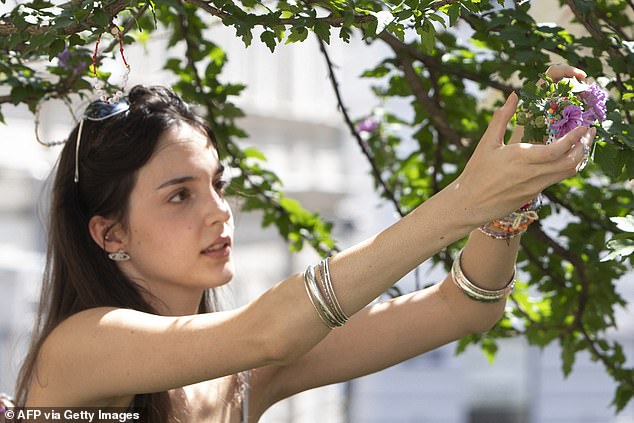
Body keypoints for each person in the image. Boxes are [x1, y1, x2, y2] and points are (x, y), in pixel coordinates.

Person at [14, 65, 594, 422]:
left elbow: (462, 306)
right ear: (108, 232)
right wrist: (465, 200)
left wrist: (517, 189)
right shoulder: (79, 349)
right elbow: (270, 330)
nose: (219, 211)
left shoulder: (242, 378)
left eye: (217, 185)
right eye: (179, 196)